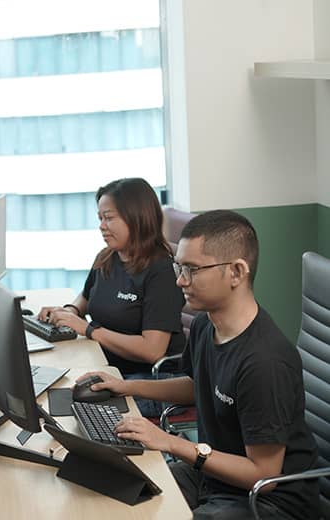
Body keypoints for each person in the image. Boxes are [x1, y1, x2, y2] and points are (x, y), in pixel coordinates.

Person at [84, 210, 318, 519]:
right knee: (116, 494)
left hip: (266, 502)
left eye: (192, 269)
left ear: (236, 272)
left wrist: (170, 443)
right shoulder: (206, 326)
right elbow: (197, 386)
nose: (180, 280)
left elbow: (262, 474)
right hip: (215, 478)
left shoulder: (264, 362)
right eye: (179, 266)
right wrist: (125, 386)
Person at [38, 177, 186, 416]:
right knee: (56, 392)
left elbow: (153, 350)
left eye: (109, 218)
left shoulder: (161, 271)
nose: (102, 226)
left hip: (151, 381)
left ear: (137, 218)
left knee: (70, 407)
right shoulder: (108, 257)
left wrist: (88, 329)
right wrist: (70, 311)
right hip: (111, 367)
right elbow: (85, 298)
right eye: (100, 218)